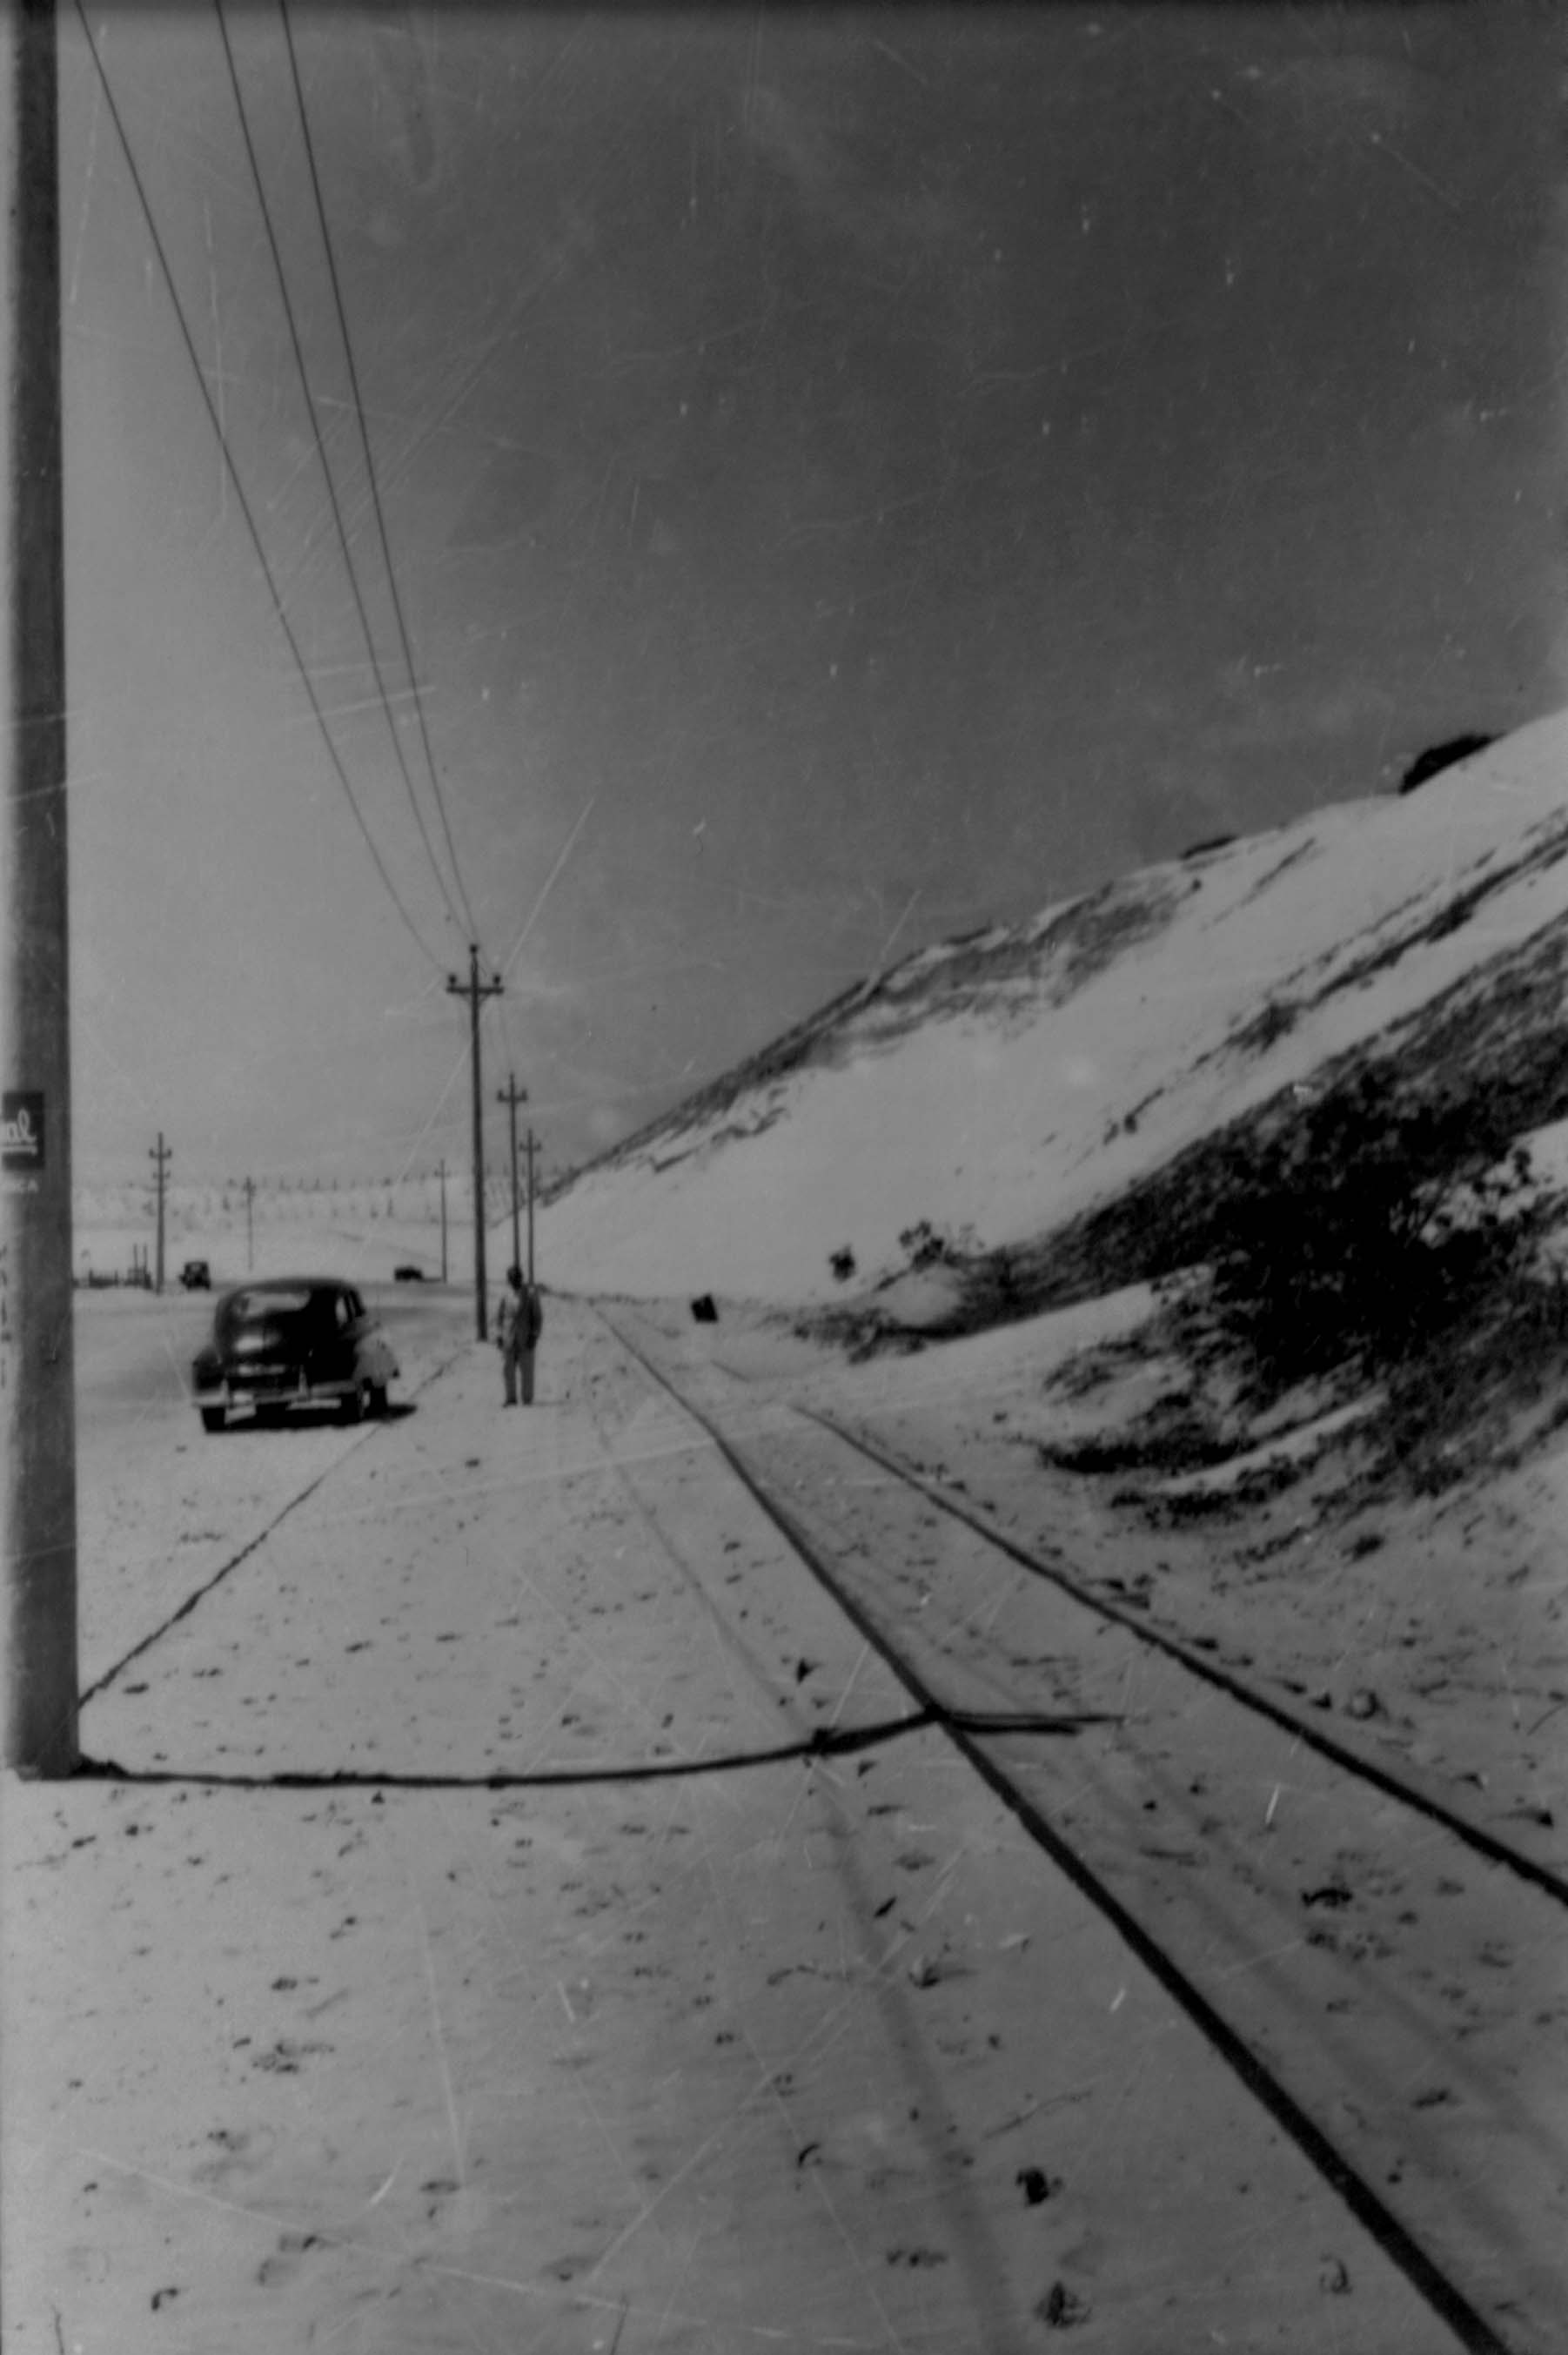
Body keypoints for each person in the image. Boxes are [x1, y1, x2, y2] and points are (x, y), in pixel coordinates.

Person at [496, 1266, 544, 1406]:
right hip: (508, 1338)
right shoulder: (505, 1295)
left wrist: (534, 1335)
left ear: (521, 1278)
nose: (515, 1280)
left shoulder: (531, 1294)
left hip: (526, 1337)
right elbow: (499, 1316)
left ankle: (527, 1399)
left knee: (527, 1370)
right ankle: (510, 1398)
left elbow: (537, 1317)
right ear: (508, 1279)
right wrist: (499, 1335)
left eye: (517, 1277)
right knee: (507, 1369)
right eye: (512, 1278)